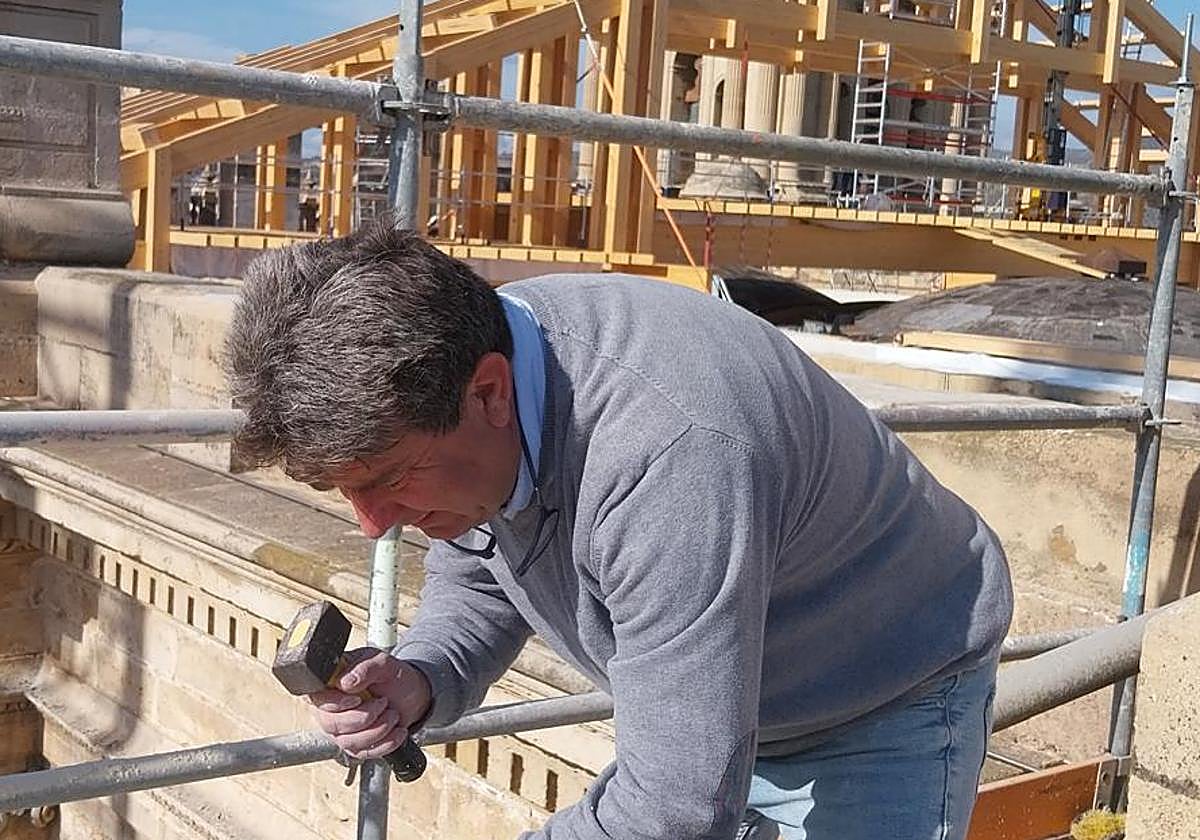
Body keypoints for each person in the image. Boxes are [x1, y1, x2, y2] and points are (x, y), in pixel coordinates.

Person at [226, 219, 1013, 840]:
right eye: (349, 492)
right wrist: (423, 675)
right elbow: (483, 549)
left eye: (389, 482)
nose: (372, 527)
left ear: (490, 394)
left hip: (880, 697)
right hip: (727, 705)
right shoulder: (477, 363)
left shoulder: (671, 453)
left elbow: (676, 807)